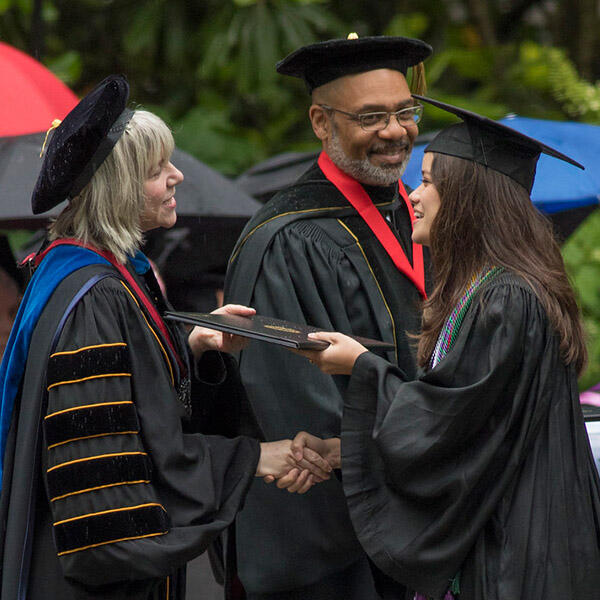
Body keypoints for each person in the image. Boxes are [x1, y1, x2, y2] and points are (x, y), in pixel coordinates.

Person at [0, 75, 331, 600]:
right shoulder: (95, 295)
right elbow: (106, 481)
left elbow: (128, 398)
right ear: (119, 188)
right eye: (157, 171)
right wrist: (251, 459)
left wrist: (191, 350)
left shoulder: (85, 272)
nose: (177, 176)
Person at [293, 97, 600, 599]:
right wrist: (349, 452)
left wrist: (361, 366)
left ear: (469, 198)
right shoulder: (489, 290)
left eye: (431, 182)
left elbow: (447, 423)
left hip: (519, 551)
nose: (413, 195)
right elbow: (474, 428)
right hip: (514, 533)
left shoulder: (506, 298)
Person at [225, 34, 432, 599]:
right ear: (322, 121)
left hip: (416, 514)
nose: (395, 132)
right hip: (332, 536)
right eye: (371, 117)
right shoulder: (289, 238)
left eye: (405, 112)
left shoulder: (413, 215)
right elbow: (296, 401)